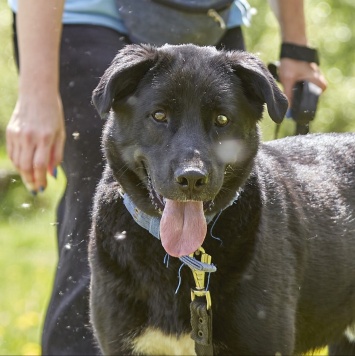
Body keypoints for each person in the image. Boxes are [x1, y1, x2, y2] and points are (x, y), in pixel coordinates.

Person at [6, 0, 327, 354]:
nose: (192, 168)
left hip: (206, 18)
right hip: (81, 18)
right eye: (160, 116)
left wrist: (297, 45)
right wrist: (36, 95)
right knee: (96, 216)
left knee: (240, 205)